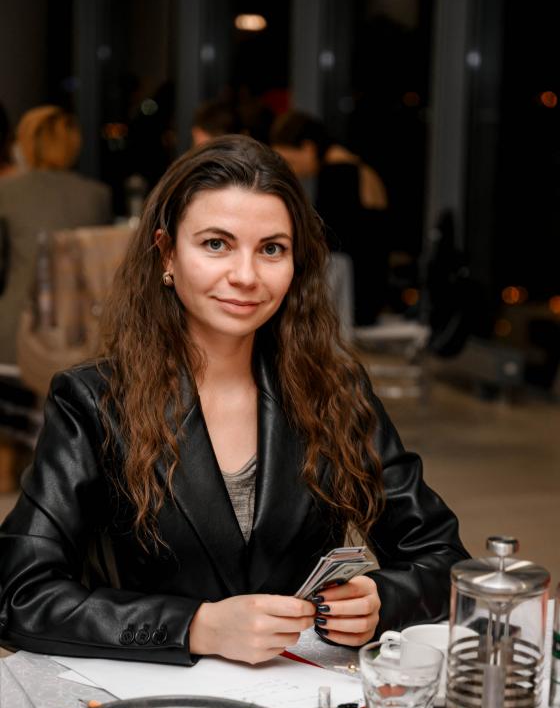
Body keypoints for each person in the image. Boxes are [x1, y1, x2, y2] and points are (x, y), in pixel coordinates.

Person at [0, 136, 469, 666]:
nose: (246, 276)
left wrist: (384, 599)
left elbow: (445, 561)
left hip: (295, 701)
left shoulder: (334, 391)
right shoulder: (94, 400)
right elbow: (20, 594)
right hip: (154, 702)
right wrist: (195, 627)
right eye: (216, 244)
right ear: (166, 253)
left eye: (271, 249)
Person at [0, 105, 112, 366]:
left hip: (14, 333)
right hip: (78, 334)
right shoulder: (97, 195)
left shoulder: (6, 192)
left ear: (25, 143)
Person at [271, 110, 389, 325]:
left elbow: (328, 241)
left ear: (308, 148)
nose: (291, 170)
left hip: (351, 300)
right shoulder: (359, 167)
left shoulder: (337, 173)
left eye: (291, 160)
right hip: (370, 294)